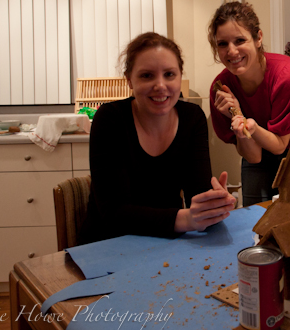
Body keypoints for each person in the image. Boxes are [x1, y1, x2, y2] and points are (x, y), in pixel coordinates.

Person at [79, 32, 236, 244]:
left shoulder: (192, 118)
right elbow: (114, 213)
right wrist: (187, 219)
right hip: (108, 244)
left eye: (169, 74)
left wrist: (214, 204)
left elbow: (196, 196)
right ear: (129, 80)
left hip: (167, 242)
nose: (160, 85)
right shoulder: (110, 119)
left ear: (180, 76)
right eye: (147, 75)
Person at [208, 2, 290, 206]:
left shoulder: (287, 76)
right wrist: (238, 120)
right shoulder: (221, 89)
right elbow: (253, 157)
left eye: (239, 40)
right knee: (253, 222)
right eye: (222, 44)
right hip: (258, 155)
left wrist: (248, 124)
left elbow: (281, 146)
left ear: (258, 38)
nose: (232, 51)